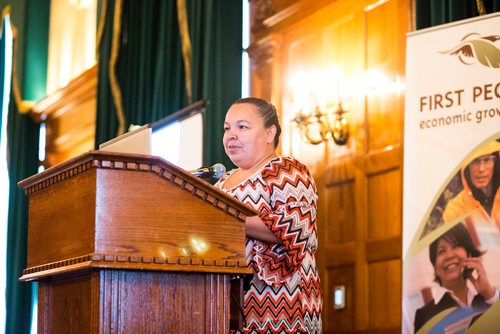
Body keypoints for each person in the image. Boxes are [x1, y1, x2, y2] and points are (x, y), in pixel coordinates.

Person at [215, 97, 322, 333]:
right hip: (227, 301)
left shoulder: (286, 169)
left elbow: (295, 231)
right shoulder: (222, 182)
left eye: (242, 127)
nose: (231, 135)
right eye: (227, 128)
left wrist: (225, 219)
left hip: (280, 302)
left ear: (269, 133)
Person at [414, 223, 499, 332]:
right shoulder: (424, 316)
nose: (450, 255)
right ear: (435, 267)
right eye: (441, 251)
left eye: (456, 246)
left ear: (469, 255)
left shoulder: (489, 299)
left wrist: (488, 293)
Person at [443, 140, 499, 228]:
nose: (481, 169)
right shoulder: (456, 209)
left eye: (487, 160)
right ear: (466, 167)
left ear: (496, 164)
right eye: (475, 161)